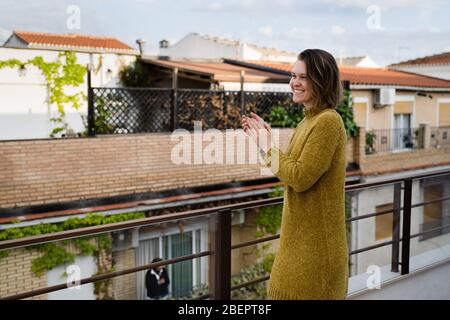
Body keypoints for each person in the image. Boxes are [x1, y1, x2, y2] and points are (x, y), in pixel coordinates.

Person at [241, 49, 349, 300]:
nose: (294, 82)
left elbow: (300, 178)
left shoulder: (328, 122)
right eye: (293, 75)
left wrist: (268, 145)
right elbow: (289, 169)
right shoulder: (308, 122)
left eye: (303, 77)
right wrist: (264, 142)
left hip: (316, 254)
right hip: (298, 247)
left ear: (322, 81)